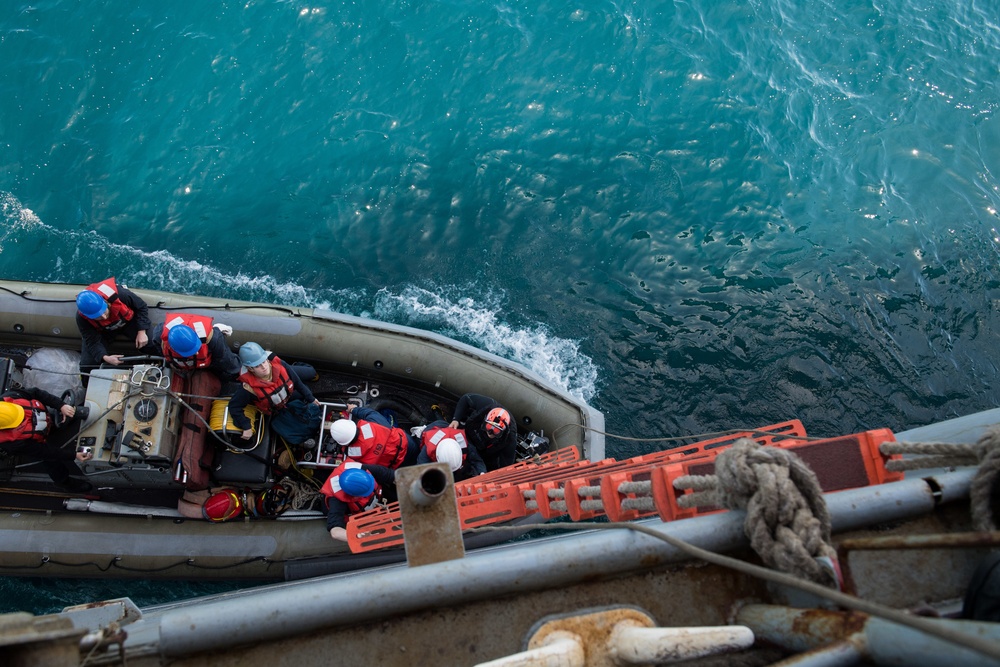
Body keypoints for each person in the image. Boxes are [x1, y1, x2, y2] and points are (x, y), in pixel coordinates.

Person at [0, 385, 93, 492]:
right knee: (51, 461)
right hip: (34, 442)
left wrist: (61, 406)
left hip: (43, 418)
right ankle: (64, 482)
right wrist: (74, 455)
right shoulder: (13, 443)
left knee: (63, 418)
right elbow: (45, 452)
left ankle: (58, 423)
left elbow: (37, 392)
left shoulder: (11, 396)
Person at [227, 342, 320, 445]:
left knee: (310, 374)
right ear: (250, 369)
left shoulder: (280, 364)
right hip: (275, 407)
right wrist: (246, 426)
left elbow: (296, 381)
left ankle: (296, 365)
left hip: (287, 393)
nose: (264, 367)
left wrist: (311, 398)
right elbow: (234, 406)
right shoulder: (247, 388)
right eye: (258, 366)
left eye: (264, 361)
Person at [75, 277, 153, 374]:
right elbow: (92, 341)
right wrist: (105, 357)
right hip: (104, 331)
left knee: (151, 344)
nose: (103, 317)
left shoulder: (121, 295)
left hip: (127, 322)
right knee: (87, 364)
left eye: (103, 311)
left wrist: (142, 331)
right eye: (97, 316)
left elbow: (141, 307)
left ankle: (153, 363)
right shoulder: (82, 319)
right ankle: (87, 384)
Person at [148, 313, 241, 380]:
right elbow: (161, 351)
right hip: (179, 364)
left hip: (205, 363)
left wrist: (236, 371)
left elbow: (227, 360)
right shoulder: (159, 336)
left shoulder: (213, 338)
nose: (196, 352)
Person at [320, 460, 395, 542]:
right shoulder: (336, 500)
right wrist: (358, 537)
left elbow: (392, 475)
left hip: (379, 497)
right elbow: (335, 531)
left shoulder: (362, 469)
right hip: (358, 511)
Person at [328, 404, 416, 470]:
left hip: (397, 466)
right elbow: (369, 413)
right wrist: (353, 409)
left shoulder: (351, 454)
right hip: (408, 444)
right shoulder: (375, 423)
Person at [449, 393, 517, 471]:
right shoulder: (486, 404)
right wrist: (456, 419)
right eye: (489, 427)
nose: (490, 433)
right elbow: (466, 398)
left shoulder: (510, 438)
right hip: (468, 435)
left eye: (496, 431)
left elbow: (506, 463)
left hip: (483, 453)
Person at [415, 421, 486, 481]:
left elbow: (477, 460)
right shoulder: (429, 448)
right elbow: (420, 469)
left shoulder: (462, 442)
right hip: (432, 429)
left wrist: (482, 473)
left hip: (446, 426)